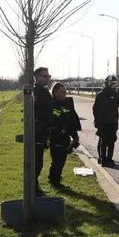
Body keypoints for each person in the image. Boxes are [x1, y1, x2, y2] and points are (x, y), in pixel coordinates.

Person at [46, 82, 81, 190]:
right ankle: (53, 181)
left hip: (65, 137)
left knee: (62, 160)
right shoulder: (51, 104)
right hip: (55, 137)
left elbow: (72, 121)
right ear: (55, 92)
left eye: (65, 92)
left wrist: (75, 137)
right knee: (57, 160)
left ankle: (56, 179)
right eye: (61, 92)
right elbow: (51, 120)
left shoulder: (68, 104)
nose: (64, 94)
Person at [32, 67, 54, 196]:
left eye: (48, 76)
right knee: (37, 162)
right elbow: (35, 112)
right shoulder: (36, 92)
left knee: (39, 161)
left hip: (44, 131)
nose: (47, 78)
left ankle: (34, 186)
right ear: (37, 76)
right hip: (38, 131)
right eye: (45, 76)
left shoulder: (43, 91)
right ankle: (33, 188)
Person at [93, 75, 119, 166]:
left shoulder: (111, 95)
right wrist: (97, 120)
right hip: (107, 122)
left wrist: (96, 120)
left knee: (104, 141)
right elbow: (95, 109)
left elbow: (94, 109)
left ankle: (103, 159)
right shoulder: (101, 95)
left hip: (107, 122)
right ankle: (107, 159)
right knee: (109, 142)